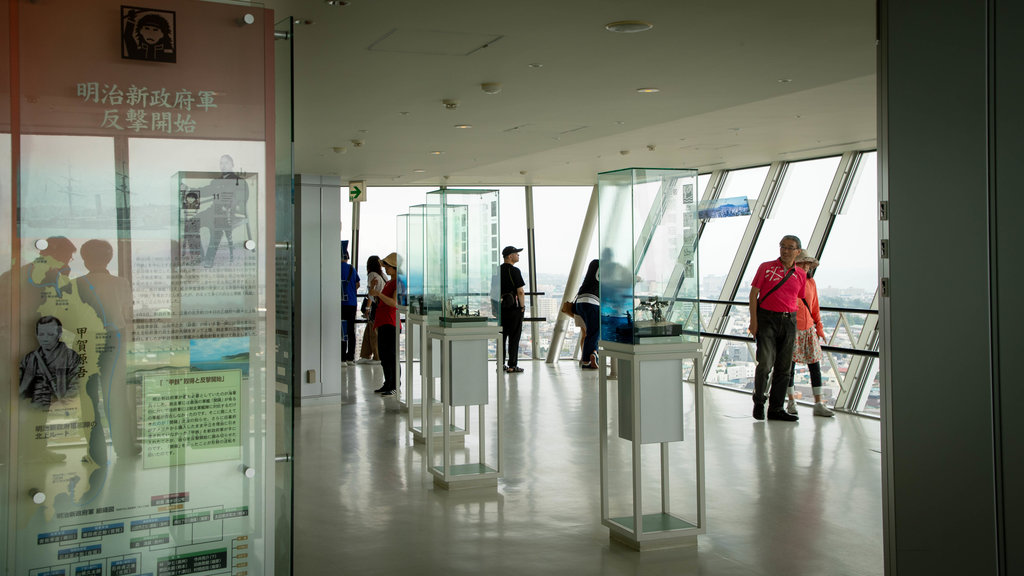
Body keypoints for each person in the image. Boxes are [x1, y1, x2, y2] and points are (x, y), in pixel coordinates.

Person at [76, 239, 138, 457]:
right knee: (116, 394)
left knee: (89, 396)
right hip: (115, 338)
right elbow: (126, 312)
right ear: (109, 258)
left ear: (84, 260)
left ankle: (95, 452)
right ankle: (125, 448)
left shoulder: (76, 284)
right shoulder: (121, 283)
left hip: (86, 339)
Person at [748, 234, 807, 422]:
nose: (785, 250)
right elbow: (753, 294)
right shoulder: (766, 268)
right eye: (782, 246)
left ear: (798, 251)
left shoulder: (801, 274)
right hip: (767, 318)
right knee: (765, 363)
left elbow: (797, 298)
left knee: (784, 367)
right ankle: (759, 401)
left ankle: (776, 408)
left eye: (790, 247)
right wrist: (753, 321)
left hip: (789, 321)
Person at [786, 251, 835, 417]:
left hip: (808, 329)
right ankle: (791, 401)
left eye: (808, 264)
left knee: (815, 366)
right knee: (789, 368)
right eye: (802, 263)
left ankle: (818, 403)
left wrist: (819, 327)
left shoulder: (811, 282)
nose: (806, 267)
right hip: (792, 329)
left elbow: (814, 306)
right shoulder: (789, 281)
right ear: (795, 264)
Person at [19, 316, 82, 408]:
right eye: (41, 334)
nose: (45, 339)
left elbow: (76, 387)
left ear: (59, 334)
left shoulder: (71, 357)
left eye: (50, 334)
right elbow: (17, 388)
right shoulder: (29, 358)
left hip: (59, 407)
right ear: (36, 335)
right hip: (32, 407)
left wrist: (62, 406)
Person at [370, 252, 401, 396]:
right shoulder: (389, 282)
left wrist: (378, 294)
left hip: (391, 321)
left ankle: (394, 384)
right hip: (384, 321)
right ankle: (388, 382)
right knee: (384, 355)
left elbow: (393, 303)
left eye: (388, 266)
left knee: (390, 355)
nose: (386, 269)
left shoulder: (397, 282)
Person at [499, 246, 526, 373]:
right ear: (510, 256)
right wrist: (522, 307)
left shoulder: (497, 270)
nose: (518, 256)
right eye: (516, 254)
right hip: (514, 308)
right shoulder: (515, 271)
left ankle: (500, 364)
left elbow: (493, 291)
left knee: (501, 337)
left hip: (501, 308)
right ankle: (512, 365)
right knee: (514, 337)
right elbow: (520, 292)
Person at [572, 259, 600, 369]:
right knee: (594, 332)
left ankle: (590, 355)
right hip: (591, 303)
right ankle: (588, 359)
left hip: (579, 304)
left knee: (587, 333)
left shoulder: (592, 267)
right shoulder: (604, 271)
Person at [357, 255, 384, 364]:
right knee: (370, 329)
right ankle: (365, 354)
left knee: (373, 330)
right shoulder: (382, 275)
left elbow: (371, 294)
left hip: (376, 305)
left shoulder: (372, 275)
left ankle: (376, 356)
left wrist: (367, 308)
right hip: (381, 304)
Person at [340, 246, 360, 366]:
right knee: (351, 330)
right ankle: (350, 357)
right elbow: (357, 284)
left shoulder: (334, 268)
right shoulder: (352, 269)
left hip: (340, 304)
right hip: (352, 304)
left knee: (341, 330)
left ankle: (342, 357)